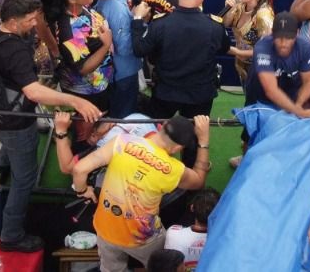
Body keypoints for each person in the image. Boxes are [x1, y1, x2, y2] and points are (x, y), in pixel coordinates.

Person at [0, 0, 103, 253]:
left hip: (0, 110)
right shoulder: (15, 51)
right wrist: (75, 101)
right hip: (16, 119)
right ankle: (11, 235)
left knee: (8, 147)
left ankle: (2, 163)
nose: (34, 24)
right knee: (24, 179)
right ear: (13, 23)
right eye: (29, 21)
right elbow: (34, 92)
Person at [71, 115, 212, 272]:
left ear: (163, 125)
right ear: (178, 148)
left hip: (105, 229)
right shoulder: (173, 169)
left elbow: (79, 169)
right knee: (163, 268)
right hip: (143, 238)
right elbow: (199, 180)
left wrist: (83, 190)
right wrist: (204, 141)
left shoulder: (122, 141)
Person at [132, 0, 227, 119]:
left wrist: (137, 19)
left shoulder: (160, 24)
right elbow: (224, 48)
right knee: (195, 136)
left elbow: (139, 49)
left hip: (166, 93)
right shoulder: (214, 26)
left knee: (157, 135)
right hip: (199, 95)